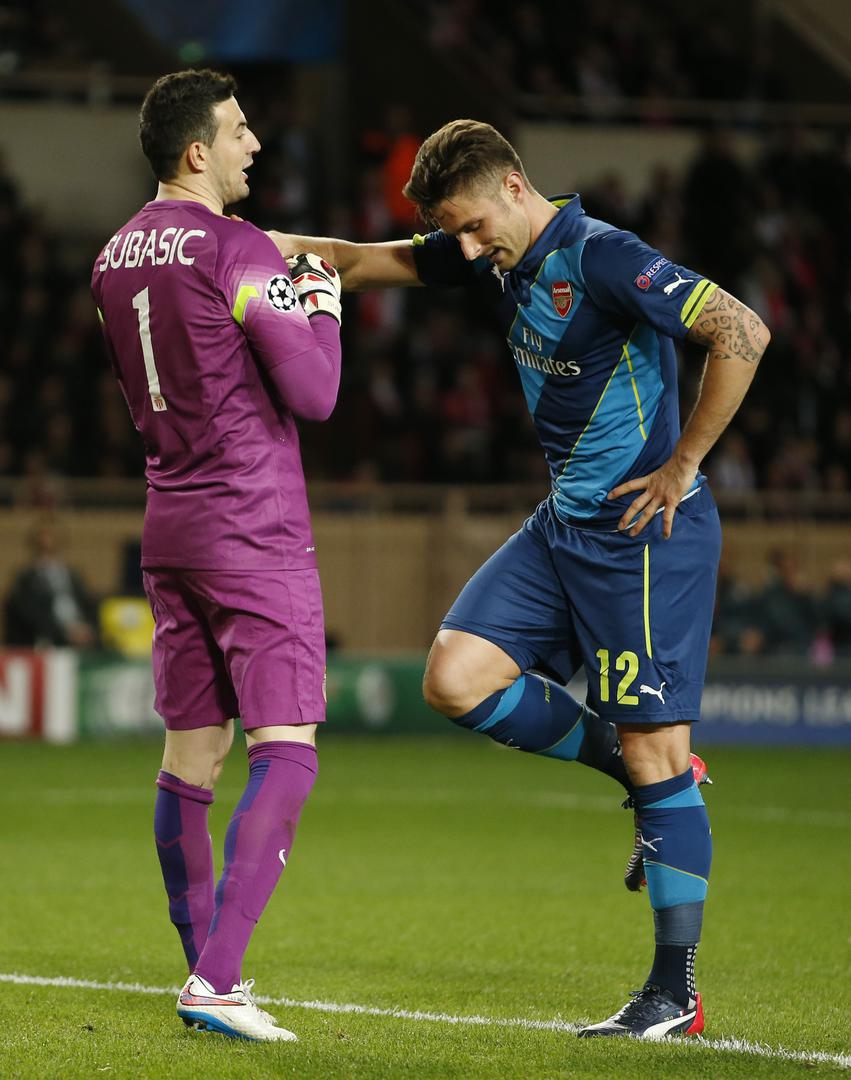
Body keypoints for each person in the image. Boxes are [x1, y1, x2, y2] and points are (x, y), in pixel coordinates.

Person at [270, 119, 769, 1039]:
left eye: (469, 226)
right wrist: (226, 241)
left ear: (513, 185)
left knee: (659, 757)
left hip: (642, 536)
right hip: (562, 527)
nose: (464, 249)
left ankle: (673, 994)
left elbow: (741, 329)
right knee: (454, 678)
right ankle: (632, 770)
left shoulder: (603, 256)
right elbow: (356, 261)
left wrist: (684, 463)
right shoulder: (493, 257)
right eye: (449, 233)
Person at [91, 69, 343, 1042]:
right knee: (288, 751)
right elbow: (314, 393)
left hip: (170, 523)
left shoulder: (112, 256)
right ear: (197, 151)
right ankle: (219, 980)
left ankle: (204, 972)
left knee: (190, 760)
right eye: (239, 131)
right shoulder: (237, 247)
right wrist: (320, 301)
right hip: (252, 526)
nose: (254, 145)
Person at [4, 519, 98, 648]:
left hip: (81, 636)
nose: (48, 539)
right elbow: (30, 614)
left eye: (53, 534)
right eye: (44, 534)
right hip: (48, 639)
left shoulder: (73, 575)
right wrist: (65, 632)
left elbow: (89, 605)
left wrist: (88, 629)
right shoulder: (26, 578)